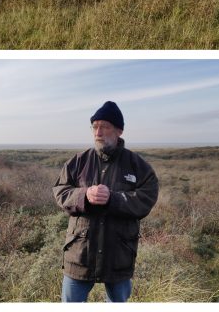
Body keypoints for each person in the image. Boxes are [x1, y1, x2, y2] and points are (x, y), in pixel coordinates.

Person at [53, 101, 159, 303]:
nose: (98, 132)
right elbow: (60, 191)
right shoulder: (77, 162)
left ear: (119, 131)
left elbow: (147, 198)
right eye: (95, 126)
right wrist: (84, 195)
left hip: (118, 256)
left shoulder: (138, 166)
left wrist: (114, 199)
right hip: (79, 255)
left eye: (105, 126)